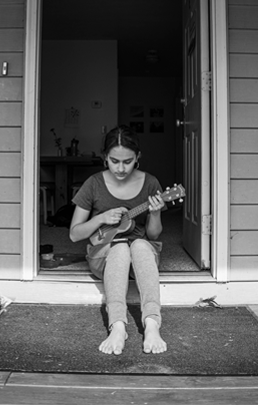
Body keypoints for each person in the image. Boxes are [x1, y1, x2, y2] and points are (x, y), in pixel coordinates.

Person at [69, 125, 167, 355]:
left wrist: (155, 212)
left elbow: (153, 235)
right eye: (114, 161)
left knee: (141, 244)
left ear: (138, 158)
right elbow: (75, 234)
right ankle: (118, 326)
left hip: (140, 260)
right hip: (105, 255)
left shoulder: (151, 183)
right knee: (120, 248)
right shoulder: (94, 184)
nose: (121, 168)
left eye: (128, 161)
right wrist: (101, 217)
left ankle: (152, 324)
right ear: (105, 157)